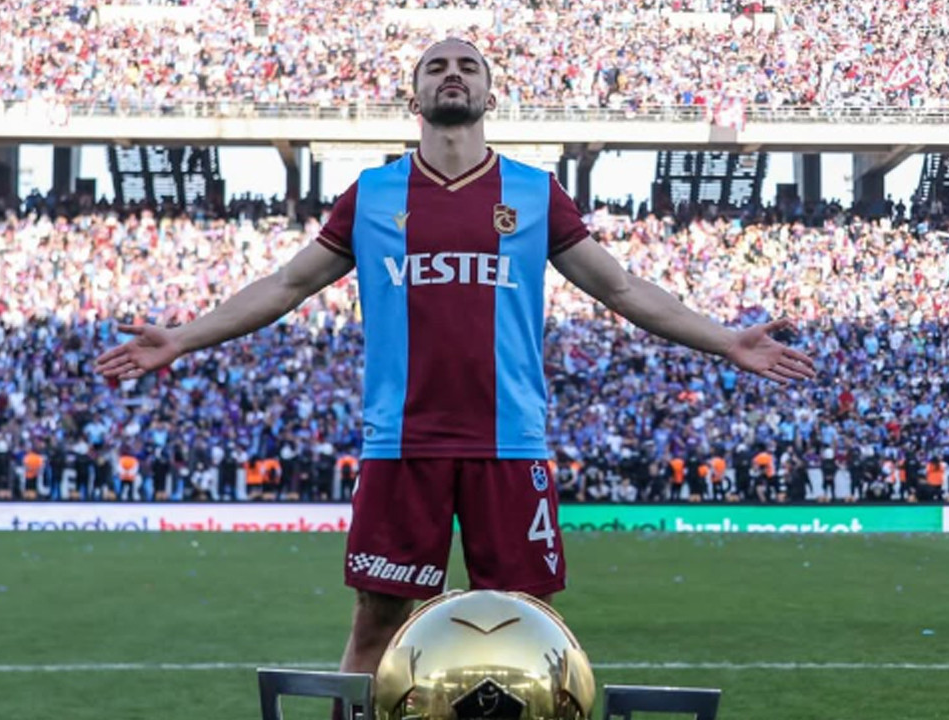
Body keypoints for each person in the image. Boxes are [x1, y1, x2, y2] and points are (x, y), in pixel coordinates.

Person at [92, 38, 815, 698]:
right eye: (436, 66)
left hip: (511, 444)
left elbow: (621, 289)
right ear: (414, 95)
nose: (452, 74)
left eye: (468, 66)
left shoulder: (533, 191)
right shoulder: (373, 194)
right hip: (402, 445)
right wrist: (181, 338)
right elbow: (286, 285)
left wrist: (726, 340)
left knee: (530, 628)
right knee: (377, 623)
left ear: (489, 94)